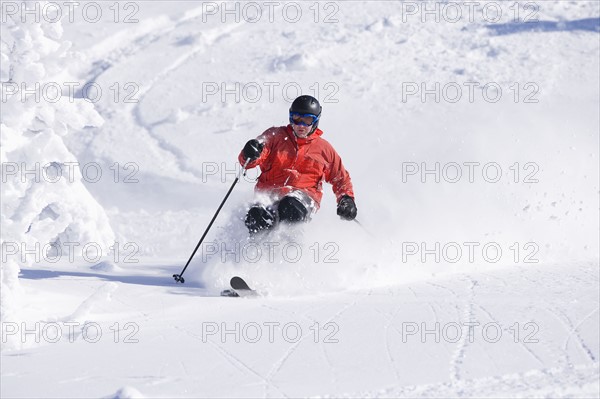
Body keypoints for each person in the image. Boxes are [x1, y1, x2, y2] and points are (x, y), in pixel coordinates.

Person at [238, 95, 357, 234]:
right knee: (256, 216)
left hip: (302, 199)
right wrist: (250, 153)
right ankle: (252, 250)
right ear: (290, 117)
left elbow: (341, 179)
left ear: (316, 121)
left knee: (289, 206)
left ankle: (291, 248)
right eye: (297, 118)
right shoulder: (275, 136)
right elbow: (248, 161)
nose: (301, 125)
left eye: (307, 120)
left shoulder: (324, 149)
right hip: (269, 194)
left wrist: (346, 199)